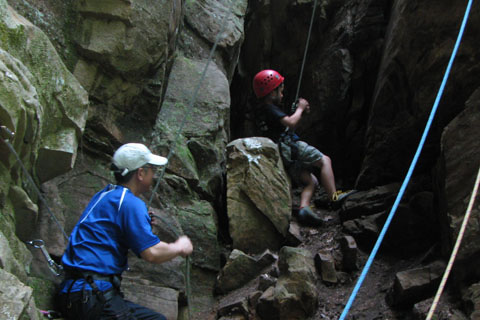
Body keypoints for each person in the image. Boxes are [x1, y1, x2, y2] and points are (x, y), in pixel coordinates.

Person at [58, 143, 193, 320]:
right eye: (152, 169)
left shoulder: (104, 195)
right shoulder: (130, 203)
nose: (154, 174)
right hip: (92, 295)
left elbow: (108, 231)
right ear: (141, 173)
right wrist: (179, 247)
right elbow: (151, 253)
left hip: (72, 293)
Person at [252, 69, 354, 225]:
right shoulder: (270, 108)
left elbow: (285, 126)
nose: (282, 95)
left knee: (311, 181)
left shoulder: (262, 111)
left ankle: (304, 208)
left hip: (283, 154)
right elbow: (291, 123)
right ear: (272, 92)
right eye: (280, 91)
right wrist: (300, 108)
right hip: (289, 146)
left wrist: (298, 113)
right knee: (325, 161)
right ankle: (334, 197)